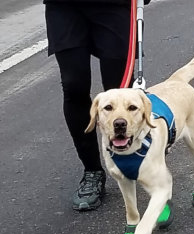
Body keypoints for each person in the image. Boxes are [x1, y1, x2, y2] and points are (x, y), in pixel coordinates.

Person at [44, 0, 151, 211]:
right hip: (64, 7)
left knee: (119, 91)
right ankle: (92, 171)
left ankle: (130, 160)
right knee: (74, 85)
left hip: (115, 5)